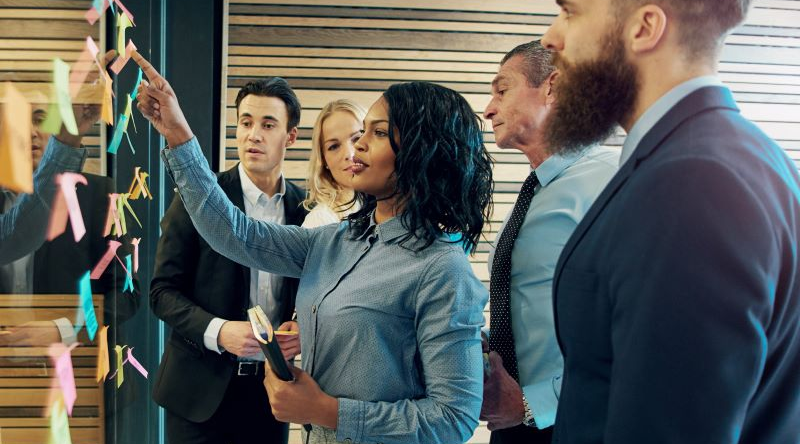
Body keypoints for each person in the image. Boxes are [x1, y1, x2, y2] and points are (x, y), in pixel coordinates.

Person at [133, 50, 492, 444]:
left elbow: (453, 418)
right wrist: (179, 135)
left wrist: (325, 411)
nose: (357, 149)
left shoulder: (442, 268)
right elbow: (235, 234)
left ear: (422, 150)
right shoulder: (336, 239)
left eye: (375, 133)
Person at [539, 0, 800, 442]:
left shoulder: (693, 183)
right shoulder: (747, 155)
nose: (551, 37)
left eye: (571, 12)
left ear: (644, 27)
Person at [149, 78, 308, 444]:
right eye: (246, 122)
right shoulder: (201, 198)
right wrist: (219, 331)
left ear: (291, 136)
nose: (253, 135)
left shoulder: (306, 211)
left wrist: (301, 330)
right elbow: (161, 291)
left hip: (272, 394)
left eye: (268, 125)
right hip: (197, 393)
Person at [479, 40, 618, 444]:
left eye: (501, 90)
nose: (488, 108)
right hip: (511, 425)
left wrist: (533, 403)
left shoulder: (612, 183)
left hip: (578, 425)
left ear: (552, 88)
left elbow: (640, 326)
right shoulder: (531, 196)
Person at [0, 105, 139, 346]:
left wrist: (64, 329)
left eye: (41, 120)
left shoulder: (101, 194)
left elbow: (126, 293)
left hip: (78, 369)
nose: (31, 132)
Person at [301, 99, 366, 228]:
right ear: (324, 160)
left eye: (357, 138)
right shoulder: (320, 221)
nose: (349, 154)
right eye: (334, 146)